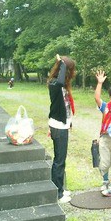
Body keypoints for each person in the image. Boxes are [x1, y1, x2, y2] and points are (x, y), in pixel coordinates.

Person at [47, 54, 76, 203]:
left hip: (61, 125)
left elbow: (65, 107)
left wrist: (69, 122)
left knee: (61, 159)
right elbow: (59, 82)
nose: (72, 73)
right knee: (59, 160)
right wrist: (63, 63)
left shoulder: (62, 84)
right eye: (70, 69)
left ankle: (60, 188)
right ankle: (57, 193)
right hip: (58, 126)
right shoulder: (54, 83)